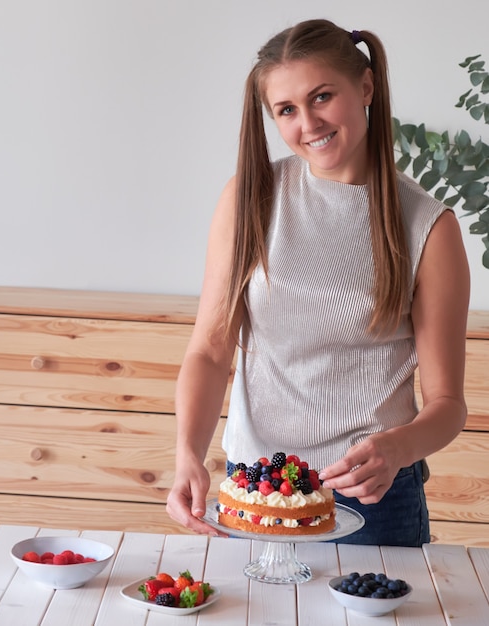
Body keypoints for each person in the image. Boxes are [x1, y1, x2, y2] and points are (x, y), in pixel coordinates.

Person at [166, 18, 470, 546]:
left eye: (322, 96)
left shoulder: (428, 227)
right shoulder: (250, 199)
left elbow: (448, 405)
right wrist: (188, 453)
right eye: (286, 110)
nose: (308, 122)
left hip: (372, 500)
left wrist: (397, 449)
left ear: (366, 86)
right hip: (257, 491)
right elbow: (211, 351)